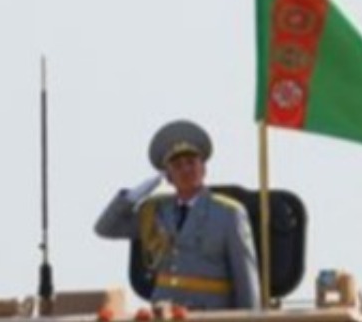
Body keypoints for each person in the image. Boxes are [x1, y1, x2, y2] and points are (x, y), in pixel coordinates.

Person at [95, 119, 261, 310]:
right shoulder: (155, 212)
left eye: (191, 162)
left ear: (203, 168)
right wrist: (131, 197)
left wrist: (248, 321)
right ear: (168, 176)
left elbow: (245, 278)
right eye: (177, 165)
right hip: (165, 316)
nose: (186, 170)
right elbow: (105, 228)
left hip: (210, 316)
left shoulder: (229, 213)